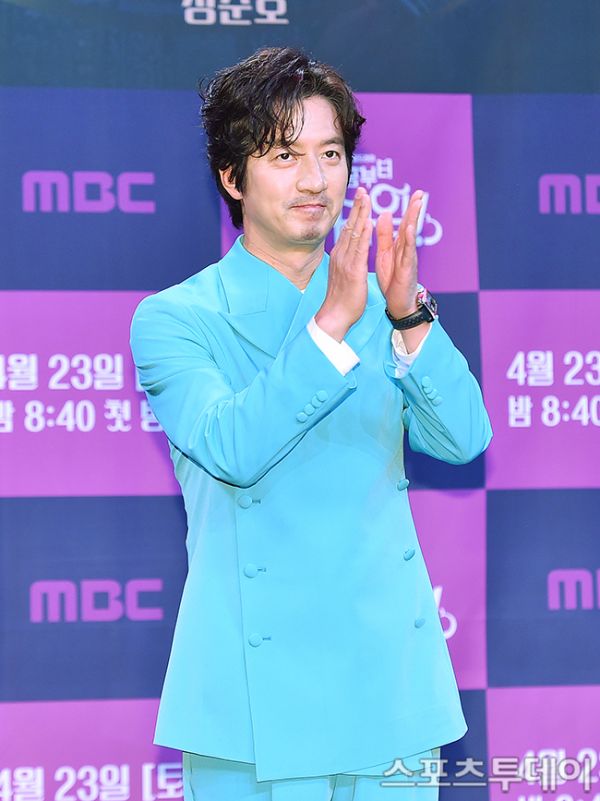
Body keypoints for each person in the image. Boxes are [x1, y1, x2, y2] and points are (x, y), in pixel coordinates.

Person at [130, 46, 493, 801]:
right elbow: (233, 447)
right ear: (232, 177)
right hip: (253, 704)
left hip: (389, 687)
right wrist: (331, 325)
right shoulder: (176, 319)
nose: (314, 178)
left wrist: (408, 314)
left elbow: (465, 440)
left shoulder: (383, 304)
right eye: (284, 155)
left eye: (330, 153)